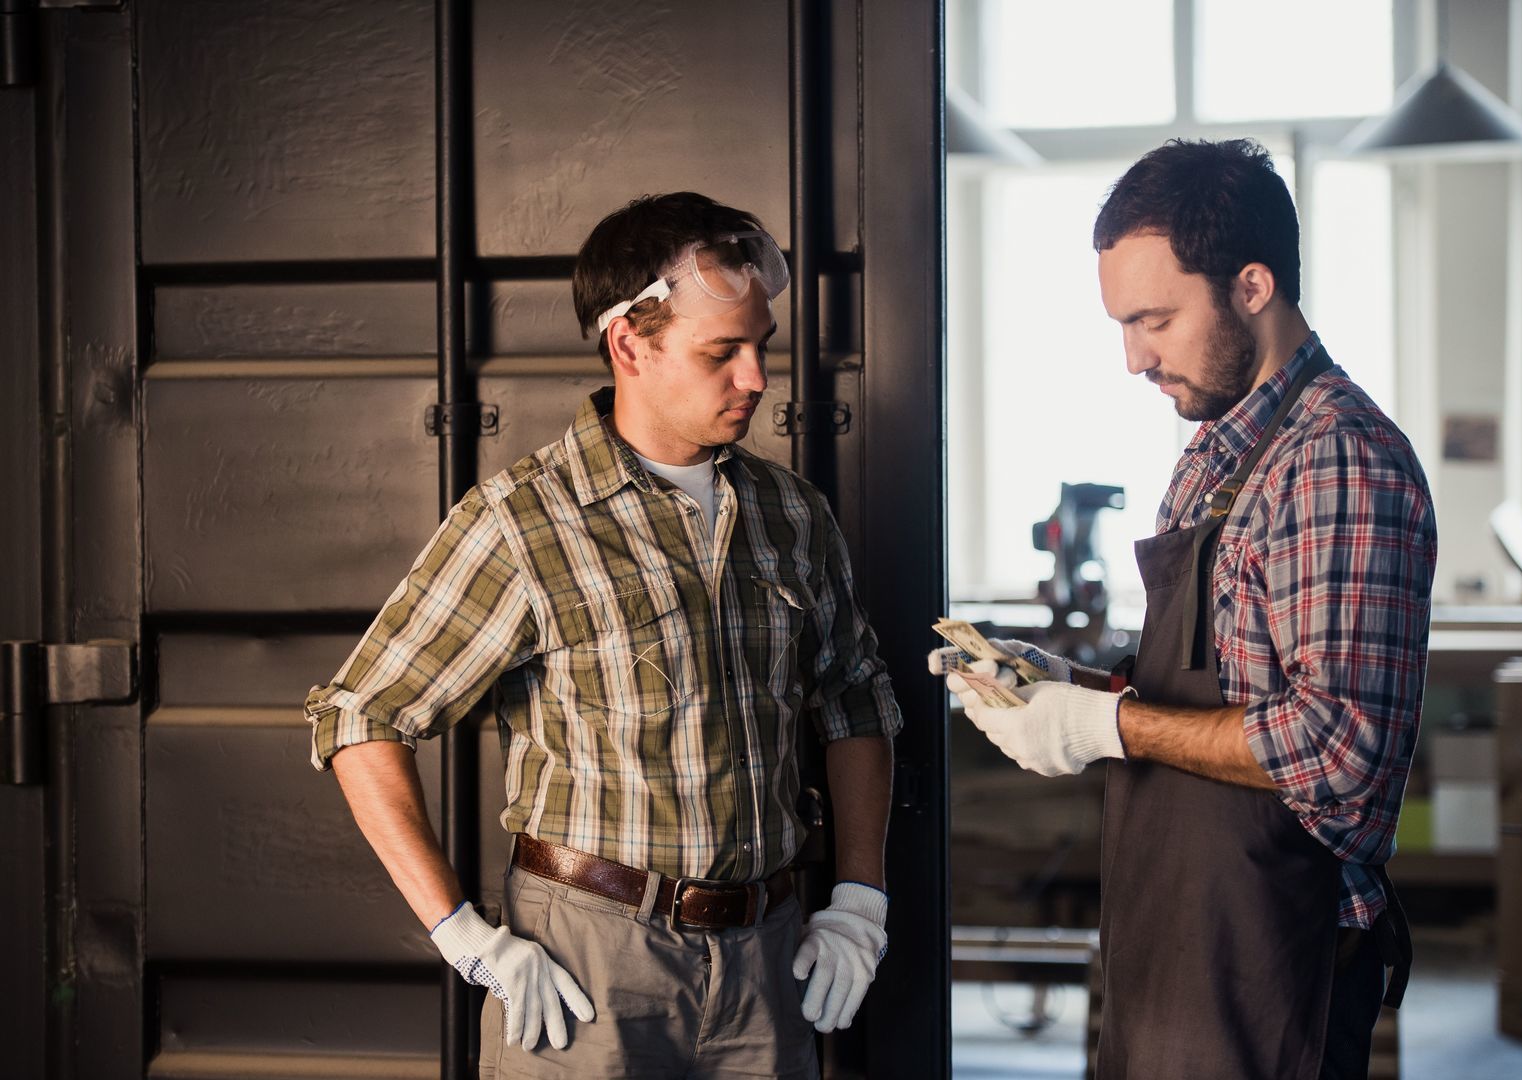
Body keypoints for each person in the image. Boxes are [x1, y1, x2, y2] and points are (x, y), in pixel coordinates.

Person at [305, 192, 901, 1079]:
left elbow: (856, 699)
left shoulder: (791, 514)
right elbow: (359, 717)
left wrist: (859, 899)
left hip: (770, 962)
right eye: (721, 353)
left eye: (760, 345)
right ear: (631, 344)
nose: (756, 380)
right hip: (589, 966)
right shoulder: (521, 522)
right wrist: (461, 932)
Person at [930, 139, 1436, 1080]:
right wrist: (1054, 686)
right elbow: (1214, 691)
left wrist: (1106, 724)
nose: (1133, 358)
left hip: (1272, 962)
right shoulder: (1213, 456)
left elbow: (1338, 750)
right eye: (1121, 324)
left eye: (1154, 319)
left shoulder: (1335, 458)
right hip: (1174, 938)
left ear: (1251, 285)